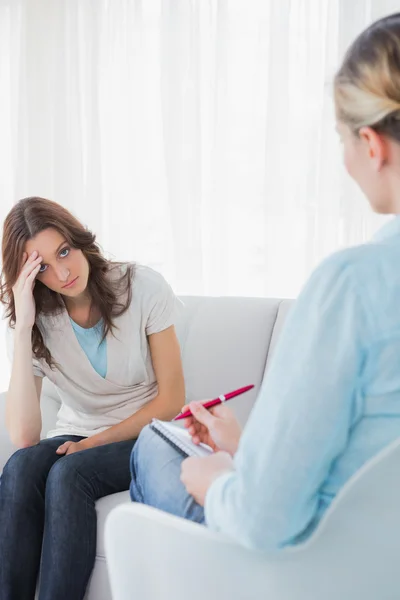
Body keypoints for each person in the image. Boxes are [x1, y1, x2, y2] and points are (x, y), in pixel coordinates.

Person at [130, 12, 400, 552]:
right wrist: (248, 447)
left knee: (155, 447)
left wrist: (221, 480)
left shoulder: (353, 288)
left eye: (341, 139)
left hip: (313, 567)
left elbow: (263, 520)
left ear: (372, 146)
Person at [0, 197, 185, 599]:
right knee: (19, 468)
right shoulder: (37, 317)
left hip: (148, 434)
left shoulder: (141, 287)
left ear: (78, 239)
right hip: (77, 434)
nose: (63, 272)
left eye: (64, 251)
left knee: (70, 474)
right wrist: (22, 327)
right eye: (43, 266)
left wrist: (92, 443)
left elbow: (172, 398)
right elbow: (25, 435)